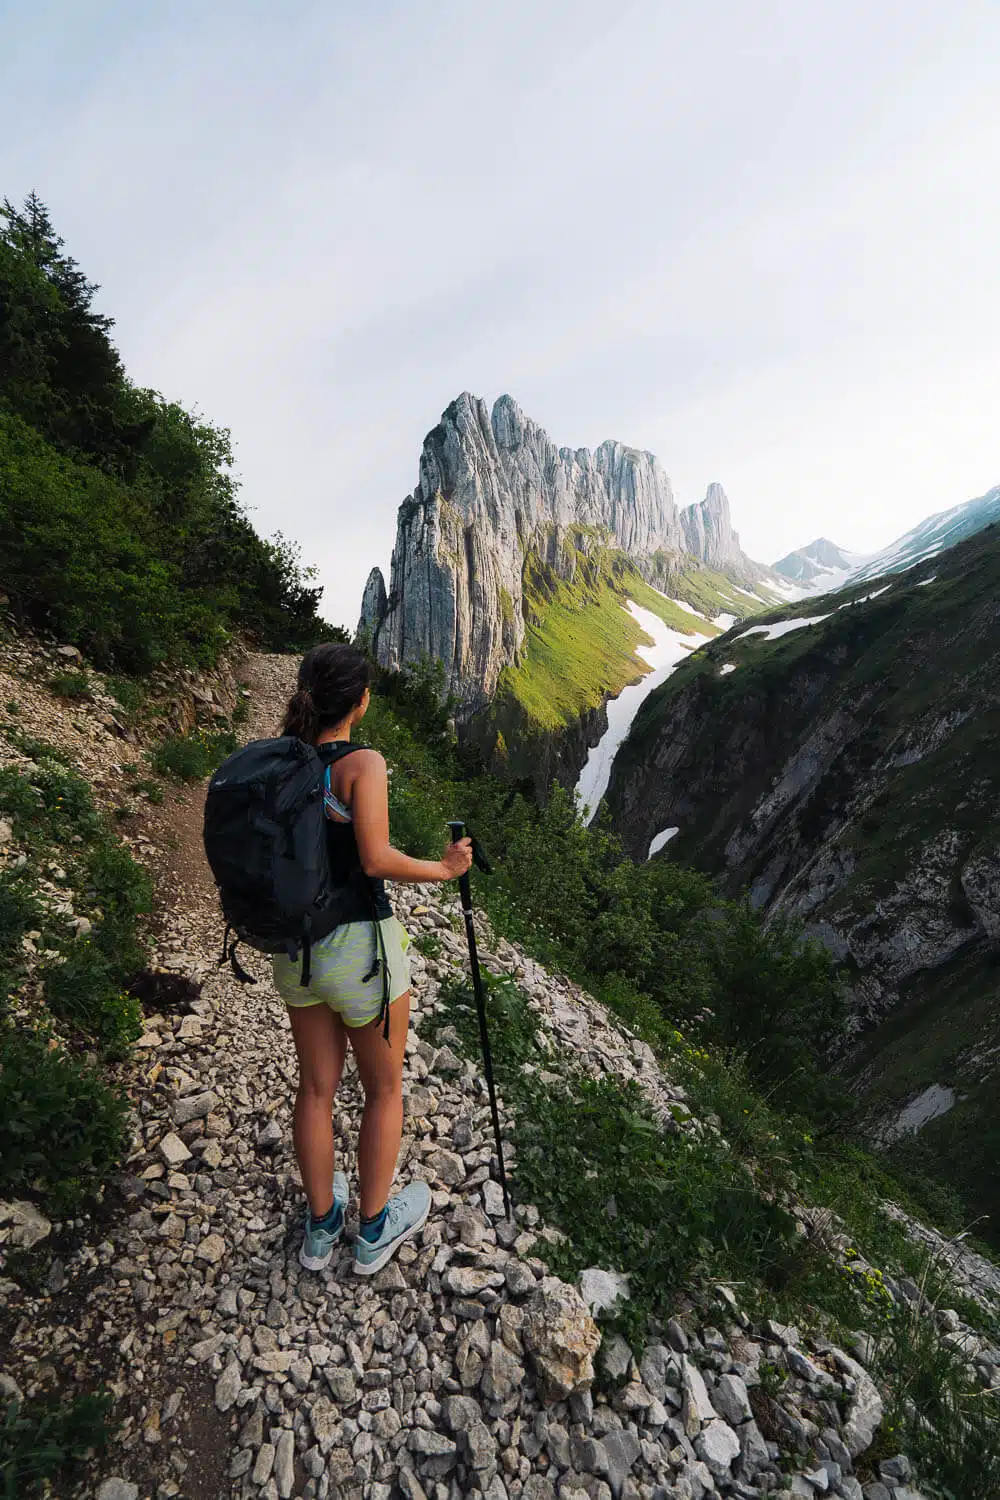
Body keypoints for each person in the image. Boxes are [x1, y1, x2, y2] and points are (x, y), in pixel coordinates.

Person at [274, 642, 473, 1275]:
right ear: (360, 700)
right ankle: (372, 1233)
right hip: (360, 948)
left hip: (296, 950)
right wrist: (443, 869)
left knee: (315, 1087)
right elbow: (375, 858)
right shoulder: (362, 762)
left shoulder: (285, 761)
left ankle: (320, 1228)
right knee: (385, 1090)